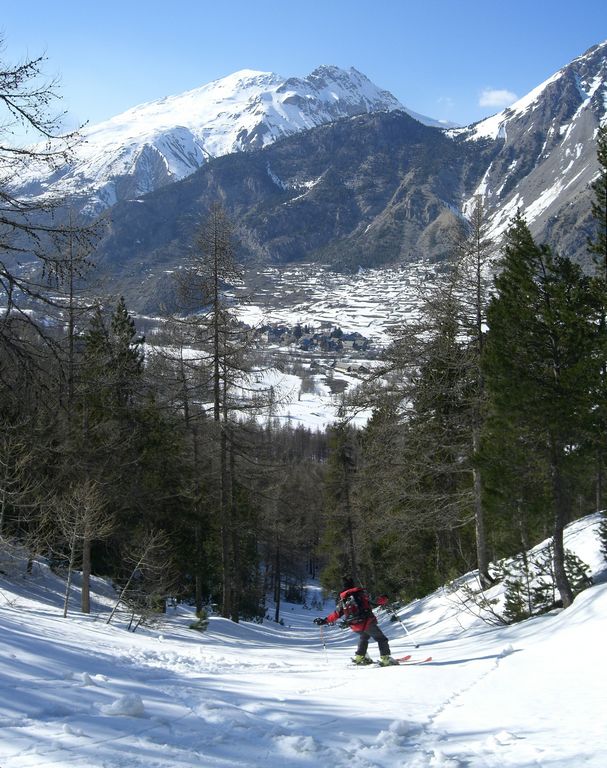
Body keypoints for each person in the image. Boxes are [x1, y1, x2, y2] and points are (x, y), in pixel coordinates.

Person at [314, 577, 397, 666]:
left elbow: (336, 614)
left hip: (354, 625)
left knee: (364, 637)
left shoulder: (343, 599)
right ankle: (386, 659)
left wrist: (325, 621)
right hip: (367, 621)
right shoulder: (360, 593)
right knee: (381, 639)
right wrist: (384, 598)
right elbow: (376, 601)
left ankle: (360, 657)